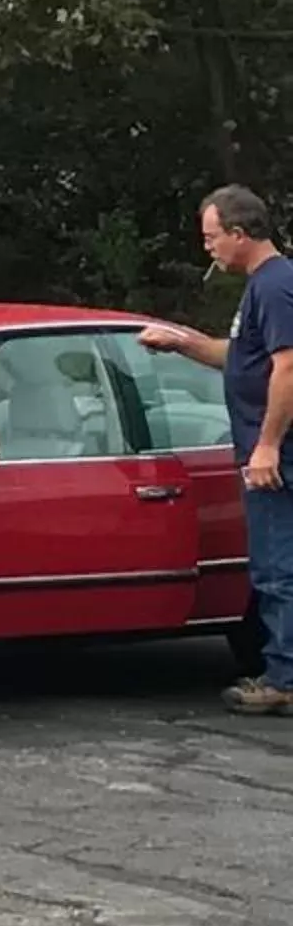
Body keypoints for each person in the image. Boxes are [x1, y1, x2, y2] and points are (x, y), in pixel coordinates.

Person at [141, 185, 293, 716]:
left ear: (239, 233)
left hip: (275, 455)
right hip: (262, 448)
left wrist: (268, 446)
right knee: (276, 564)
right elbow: (242, 355)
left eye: (211, 237)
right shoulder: (260, 288)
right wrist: (182, 343)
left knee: (278, 568)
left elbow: (288, 366)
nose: (207, 247)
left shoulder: (276, 286)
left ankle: (284, 677)